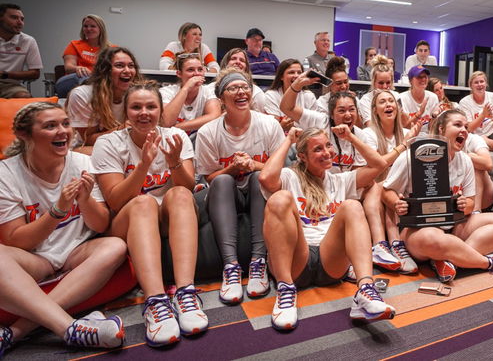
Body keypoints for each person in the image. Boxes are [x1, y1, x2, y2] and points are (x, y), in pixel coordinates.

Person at [0, 103, 126, 356]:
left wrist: (85, 200)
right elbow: (15, 240)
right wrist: (58, 210)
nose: (63, 131)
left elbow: (101, 225)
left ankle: (18, 330)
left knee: (116, 246)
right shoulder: (6, 173)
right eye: (50, 126)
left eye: (65, 124)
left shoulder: (83, 162)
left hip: (76, 251)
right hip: (36, 257)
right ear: (25, 135)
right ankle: (69, 327)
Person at [92, 82, 208, 347]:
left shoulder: (174, 137)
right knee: (143, 203)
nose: (144, 112)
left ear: (160, 110)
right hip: (127, 220)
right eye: (136, 107)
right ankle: (155, 301)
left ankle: (185, 293)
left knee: (179, 194)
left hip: (165, 217)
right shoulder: (108, 143)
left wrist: (174, 161)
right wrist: (143, 165)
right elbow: (116, 200)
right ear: (126, 112)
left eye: (151, 106)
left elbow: (187, 187)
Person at [259, 127, 395, 330]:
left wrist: (350, 137)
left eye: (328, 145)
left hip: (331, 262)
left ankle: (365, 290)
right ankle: (285, 290)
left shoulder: (340, 179)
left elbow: (380, 164)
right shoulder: (290, 176)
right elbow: (265, 178)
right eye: (318, 149)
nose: (327, 152)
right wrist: (288, 140)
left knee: (352, 206)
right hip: (296, 261)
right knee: (279, 199)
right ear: (303, 156)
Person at [383, 110, 493, 283]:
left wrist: (464, 204)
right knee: (432, 238)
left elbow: (470, 203)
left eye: (466, 127)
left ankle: (446, 259)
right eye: (457, 125)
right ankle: (489, 262)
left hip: (455, 225)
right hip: (420, 230)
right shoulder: (411, 156)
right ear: (440, 129)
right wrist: (396, 203)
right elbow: (386, 191)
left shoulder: (465, 160)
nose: (464, 130)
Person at [194, 69, 285, 304]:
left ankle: (258, 262)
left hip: (259, 190)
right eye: (233, 88)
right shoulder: (208, 132)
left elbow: (278, 170)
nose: (241, 92)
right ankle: (231, 267)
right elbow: (208, 177)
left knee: (259, 176)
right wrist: (231, 170)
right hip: (226, 194)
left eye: (245, 87)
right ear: (222, 98)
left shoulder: (268, 124)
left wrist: (253, 164)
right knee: (223, 180)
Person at [362, 89, 420, 273]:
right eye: (382, 102)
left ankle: (387, 246)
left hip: (402, 187)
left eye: (391, 101)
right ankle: (393, 244)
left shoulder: (406, 132)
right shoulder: (368, 134)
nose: (388, 104)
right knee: (385, 186)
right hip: (373, 185)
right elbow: (378, 166)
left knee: (391, 187)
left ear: (397, 107)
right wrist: (404, 144)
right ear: (375, 110)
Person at [281, 72, 368, 173]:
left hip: (342, 185)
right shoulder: (319, 120)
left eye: (352, 109)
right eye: (341, 110)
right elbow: (287, 108)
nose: (348, 115)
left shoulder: (360, 136)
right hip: (311, 181)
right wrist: (297, 84)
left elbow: (356, 173)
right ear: (331, 114)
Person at [67, 46, 141, 149]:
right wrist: (123, 128)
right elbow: (88, 140)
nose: (127, 71)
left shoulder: (138, 94)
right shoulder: (82, 95)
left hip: (126, 146)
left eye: (131, 66)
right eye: (119, 65)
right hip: (90, 148)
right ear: (105, 70)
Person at [160, 53, 222, 137]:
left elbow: (214, 117)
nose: (196, 73)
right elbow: (166, 122)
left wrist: (176, 127)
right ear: (179, 74)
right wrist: (186, 88)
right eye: (190, 70)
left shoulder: (208, 91)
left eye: (200, 69)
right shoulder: (166, 92)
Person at [55, 14, 113, 98]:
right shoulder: (74, 44)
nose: (88, 29)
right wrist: (77, 68)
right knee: (84, 76)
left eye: (92, 26)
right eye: (85, 26)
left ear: (101, 29)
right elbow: (68, 67)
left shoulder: (111, 49)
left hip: (99, 82)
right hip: (72, 80)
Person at [264, 59, 316, 133]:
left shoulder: (309, 96)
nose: (296, 76)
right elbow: (272, 126)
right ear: (281, 77)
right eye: (291, 72)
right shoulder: (271, 96)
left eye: (299, 72)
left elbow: (314, 125)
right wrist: (282, 126)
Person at [0, 3, 41, 98]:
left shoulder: (28, 41)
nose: (20, 22)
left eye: (22, 19)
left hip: (10, 86)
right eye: (14, 18)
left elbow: (35, 73)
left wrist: (5, 75)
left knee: (24, 96)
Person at [458, 71, 493, 150]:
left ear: (486, 84)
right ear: (471, 86)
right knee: (481, 139)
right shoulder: (464, 102)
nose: (480, 85)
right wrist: (483, 115)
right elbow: (469, 128)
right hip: (476, 135)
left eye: (482, 81)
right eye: (476, 82)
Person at [358, 55, 403, 126]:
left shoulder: (397, 96)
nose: (385, 87)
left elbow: (403, 124)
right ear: (373, 82)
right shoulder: (366, 100)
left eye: (388, 82)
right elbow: (370, 126)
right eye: (381, 83)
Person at [398, 65, 438, 130]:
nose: (423, 79)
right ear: (410, 81)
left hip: (428, 137)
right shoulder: (402, 98)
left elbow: (433, 128)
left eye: (425, 77)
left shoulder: (433, 97)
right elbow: (404, 127)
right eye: (419, 77)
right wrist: (420, 113)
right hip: (409, 136)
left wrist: (434, 116)